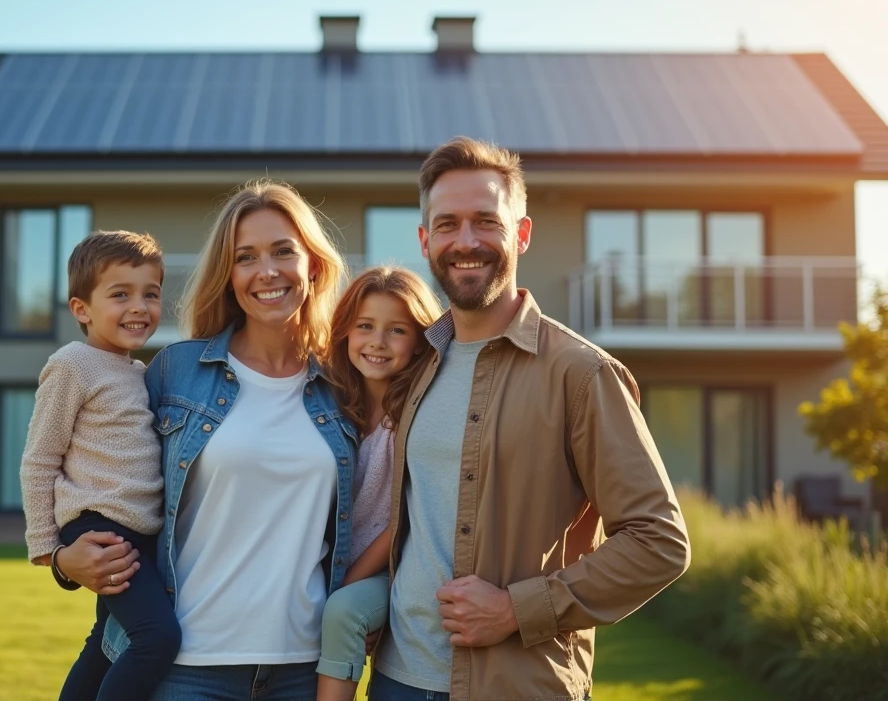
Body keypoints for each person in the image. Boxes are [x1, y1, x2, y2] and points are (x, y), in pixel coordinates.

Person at [371, 137, 692, 701]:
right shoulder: (418, 367)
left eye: (485, 222)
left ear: (521, 233)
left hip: (517, 687)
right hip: (397, 679)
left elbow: (658, 540)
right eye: (447, 225)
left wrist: (515, 610)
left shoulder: (581, 373)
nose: (465, 242)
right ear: (425, 241)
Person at [53, 179, 360, 700]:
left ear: (312, 264)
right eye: (246, 257)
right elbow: (95, 473)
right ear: (229, 275)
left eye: (283, 251)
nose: (267, 271)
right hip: (186, 666)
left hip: (302, 668)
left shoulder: (345, 385)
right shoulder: (176, 371)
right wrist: (63, 560)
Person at [19, 230, 180, 701]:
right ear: (82, 309)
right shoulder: (72, 364)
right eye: (120, 295)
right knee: (157, 639)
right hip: (101, 526)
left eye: (150, 294)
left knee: (106, 647)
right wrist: (48, 549)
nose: (139, 306)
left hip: (139, 530)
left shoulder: (138, 372)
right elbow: (39, 458)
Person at [316, 267, 442, 701]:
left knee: (344, 613)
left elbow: (402, 518)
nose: (377, 342)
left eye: (397, 330)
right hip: (335, 566)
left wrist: (348, 582)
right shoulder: (330, 404)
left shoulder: (417, 414)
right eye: (365, 326)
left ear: (420, 340)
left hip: (395, 567)